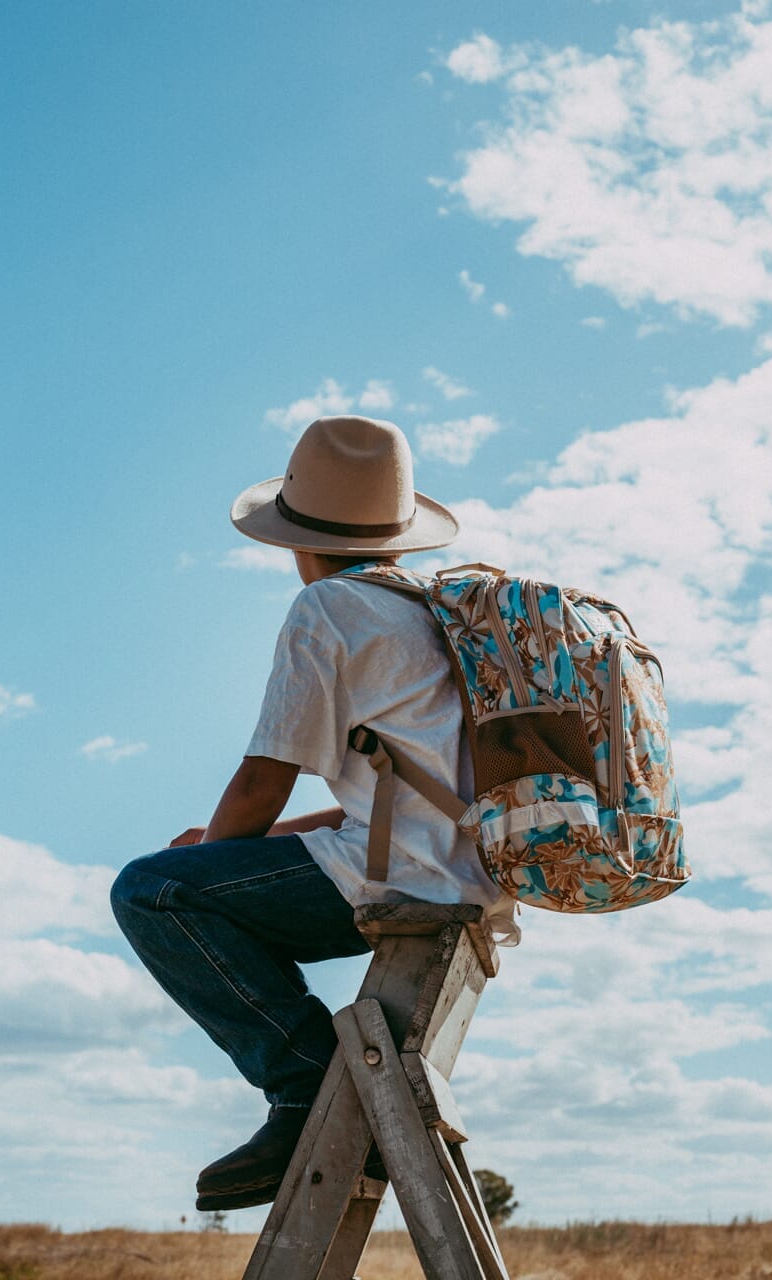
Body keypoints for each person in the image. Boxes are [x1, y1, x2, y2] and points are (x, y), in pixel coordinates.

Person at [110, 415, 516, 1212]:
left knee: (152, 892)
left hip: (408, 875)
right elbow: (387, 800)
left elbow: (264, 782)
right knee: (187, 875)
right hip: (472, 870)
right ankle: (310, 1090)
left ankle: (301, 1088)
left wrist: (202, 864)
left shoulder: (328, 607)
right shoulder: (436, 612)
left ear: (296, 539)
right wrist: (221, 854)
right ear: (398, 535)